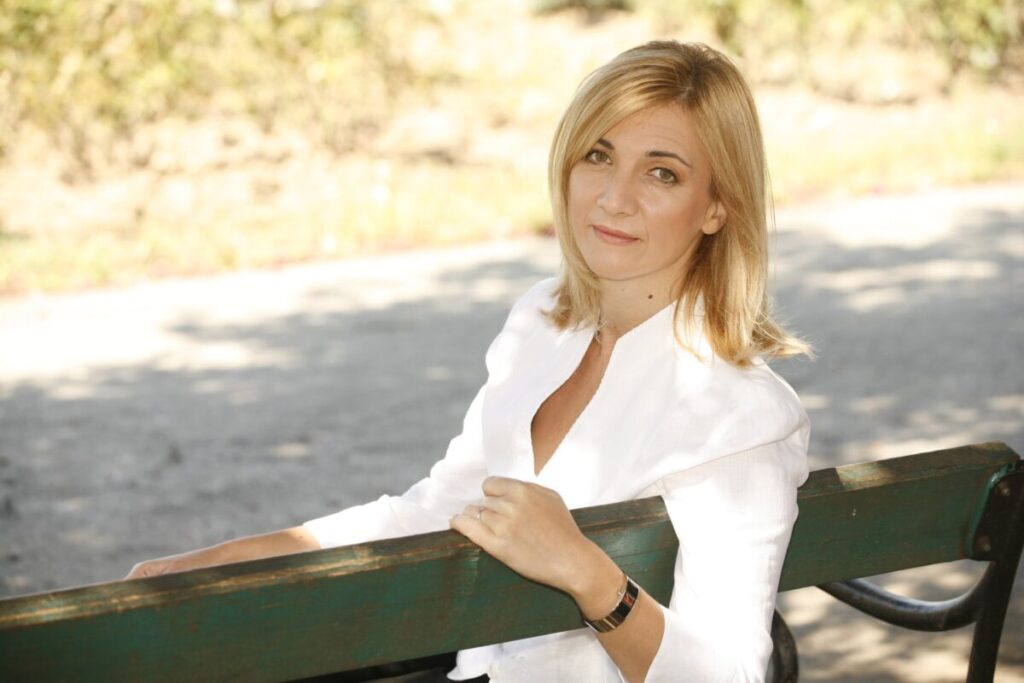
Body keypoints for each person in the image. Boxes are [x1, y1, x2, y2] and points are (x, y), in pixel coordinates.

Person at [126, 40, 811, 682]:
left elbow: (729, 673)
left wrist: (588, 573)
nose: (614, 197)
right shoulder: (544, 322)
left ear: (717, 206)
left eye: (662, 173)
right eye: (598, 155)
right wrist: (227, 563)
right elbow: (436, 510)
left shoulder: (739, 414)